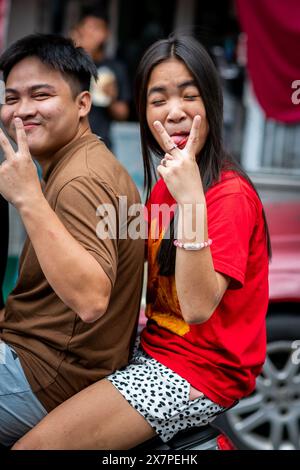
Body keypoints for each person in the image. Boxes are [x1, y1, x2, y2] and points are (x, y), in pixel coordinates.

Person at [13, 34, 271, 450]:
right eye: (158, 99)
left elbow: (197, 307)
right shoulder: (163, 187)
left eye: (190, 96)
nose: (174, 113)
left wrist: (191, 202)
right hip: (151, 349)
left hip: (196, 372)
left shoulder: (227, 194)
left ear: (213, 104)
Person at [0, 33, 144, 447]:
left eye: (40, 95)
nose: (22, 111)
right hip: (49, 365)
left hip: (45, 378)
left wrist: (28, 199)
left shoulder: (81, 179)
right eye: (12, 98)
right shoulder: (82, 162)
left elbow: (92, 298)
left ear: (83, 104)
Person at [70, 8, 131, 150]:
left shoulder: (115, 68)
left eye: (96, 28)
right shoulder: (68, 64)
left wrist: (111, 98)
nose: (90, 33)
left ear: (106, 34)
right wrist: (78, 54)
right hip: (66, 142)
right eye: (87, 27)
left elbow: (122, 113)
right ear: (78, 30)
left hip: (100, 143)